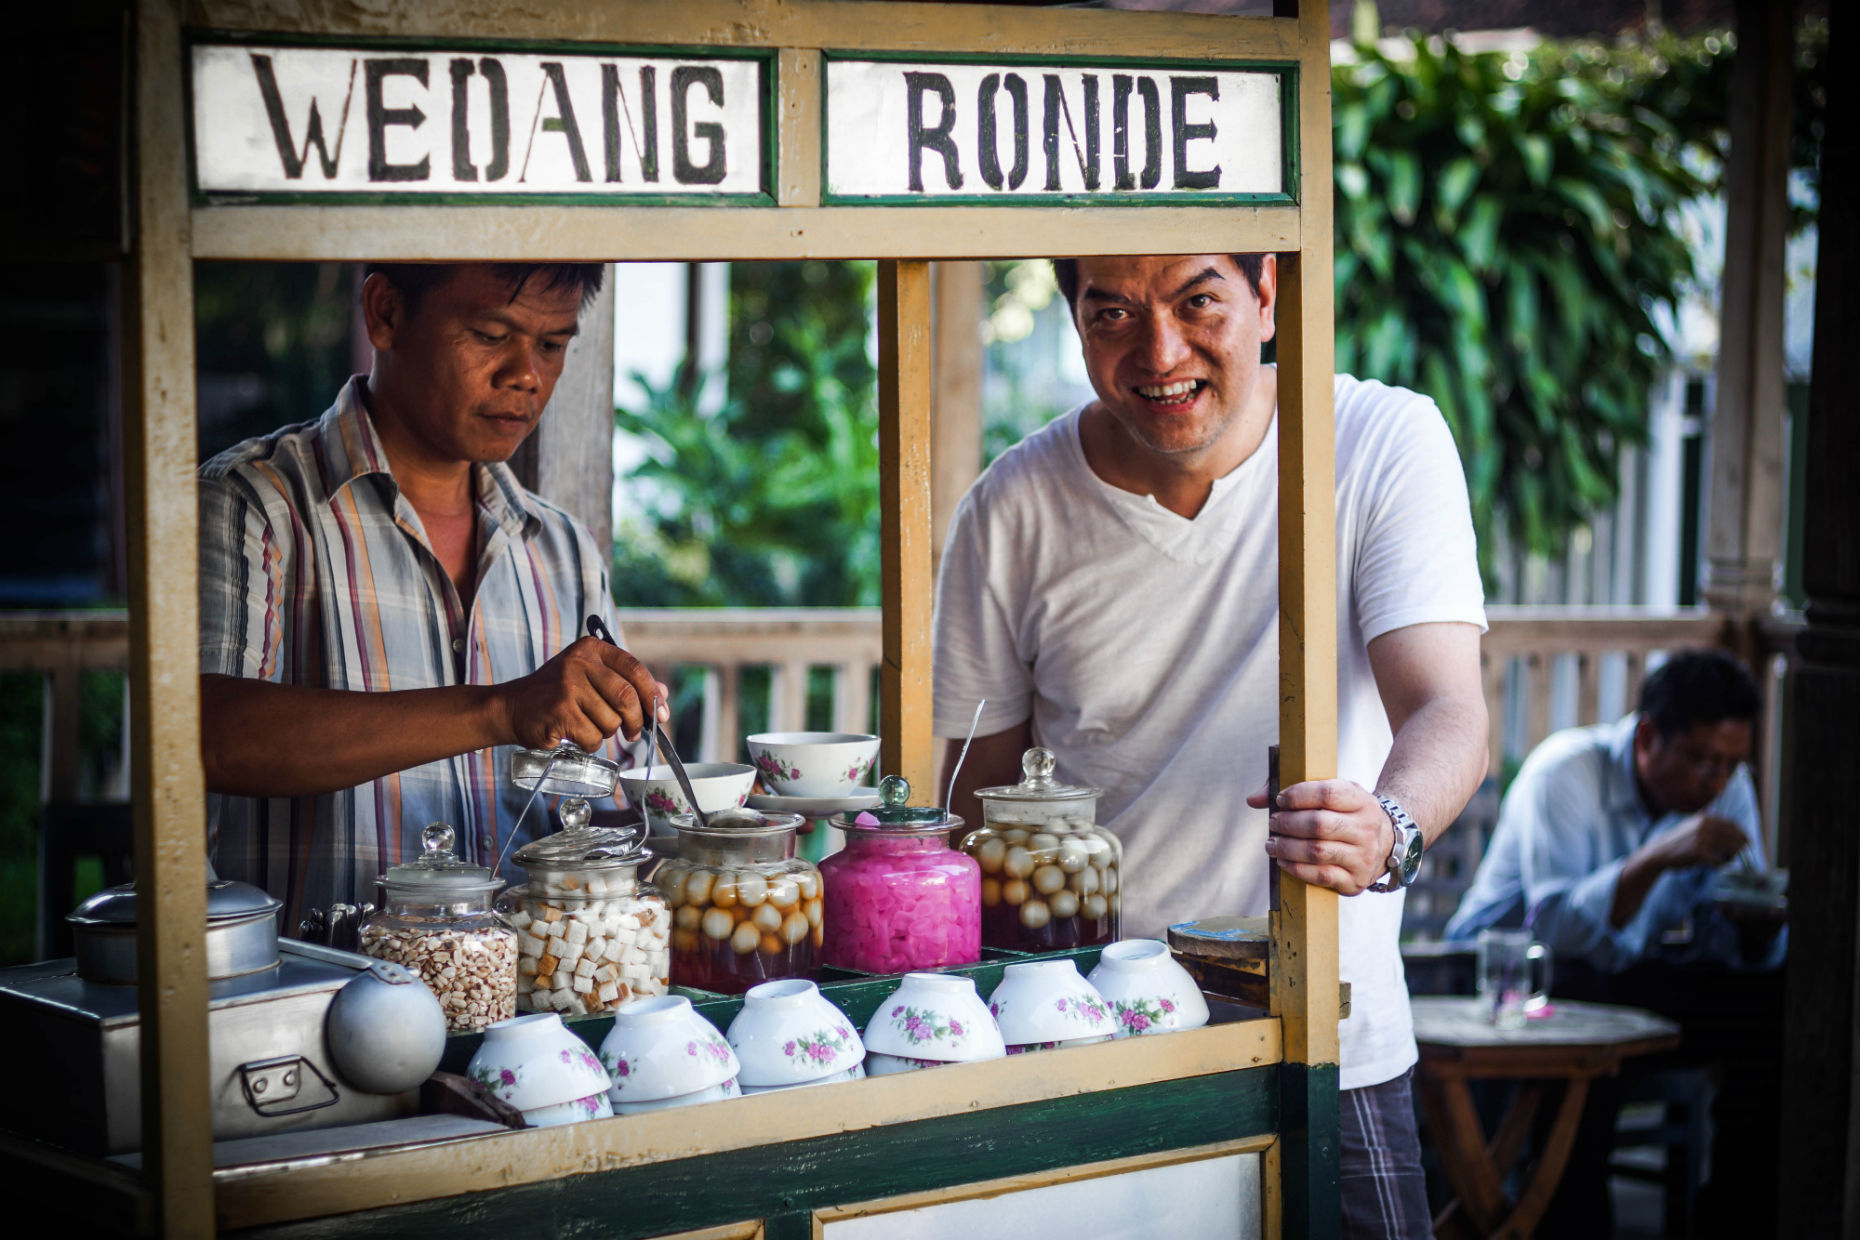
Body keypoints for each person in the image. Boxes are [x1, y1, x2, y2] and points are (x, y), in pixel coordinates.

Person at [933, 253, 1489, 1238]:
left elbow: (1449, 708)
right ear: (1073, 319)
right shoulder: (1010, 506)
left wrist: (1388, 826)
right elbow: (974, 813)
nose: (1160, 352)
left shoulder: (1376, 438)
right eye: (1112, 312)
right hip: (1089, 1043)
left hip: (1328, 1035)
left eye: (1199, 303)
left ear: (1268, 294)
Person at [198, 262, 667, 927]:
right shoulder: (258, 505)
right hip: (317, 1005)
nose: (526, 375)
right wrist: (499, 710)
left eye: (553, 345)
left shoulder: (561, 552)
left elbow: (624, 797)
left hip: (525, 1015)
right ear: (386, 313)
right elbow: (207, 734)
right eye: (489, 334)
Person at [1445, 648, 1784, 1236]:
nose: (1718, 782)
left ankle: (1734, 1217)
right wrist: (1658, 857)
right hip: (1501, 981)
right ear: (1649, 737)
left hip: (1618, 982)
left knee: (1774, 1004)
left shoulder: (1727, 788)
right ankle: (1569, 1220)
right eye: (1703, 760)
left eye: (1731, 764)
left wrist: (1752, 931)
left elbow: (1717, 930)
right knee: (1590, 1026)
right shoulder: (1567, 772)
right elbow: (1554, 931)